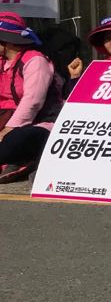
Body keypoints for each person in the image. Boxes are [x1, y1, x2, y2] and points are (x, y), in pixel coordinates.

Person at [0, 13, 65, 183]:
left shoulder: (35, 60)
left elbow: (33, 101)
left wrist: (8, 129)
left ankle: (27, 159)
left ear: (7, 41)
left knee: (14, 140)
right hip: (7, 120)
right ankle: (15, 160)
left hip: (40, 123)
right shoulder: (2, 63)